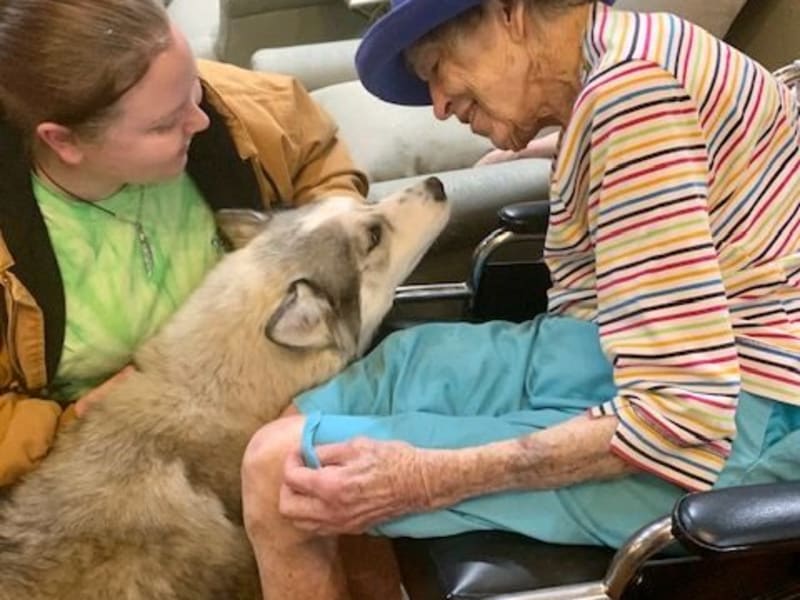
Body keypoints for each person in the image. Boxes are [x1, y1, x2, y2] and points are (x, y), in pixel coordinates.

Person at [239, 0, 800, 597]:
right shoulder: (636, 54)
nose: (439, 103)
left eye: (437, 66)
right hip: (613, 351)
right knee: (321, 407)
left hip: (737, 428)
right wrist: (570, 144)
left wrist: (428, 478)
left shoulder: (635, 99)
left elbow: (679, 415)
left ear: (510, 12)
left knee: (283, 472)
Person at [0, 0, 367, 489]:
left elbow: (313, 150)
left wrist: (326, 247)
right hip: (116, 472)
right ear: (63, 141)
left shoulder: (217, 109)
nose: (200, 121)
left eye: (194, 88)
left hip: (290, 407)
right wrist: (77, 418)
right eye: (163, 124)